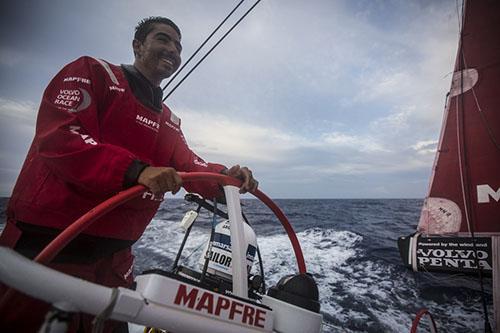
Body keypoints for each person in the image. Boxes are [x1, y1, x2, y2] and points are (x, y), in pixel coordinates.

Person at [0, 16, 258, 332]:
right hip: (44, 248)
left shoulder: (169, 122)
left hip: (115, 261)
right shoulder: (91, 72)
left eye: (178, 45)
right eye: (163, 39)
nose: (173, 50)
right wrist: (136, 171)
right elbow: (60, 135)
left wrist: (225, 179)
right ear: (138, 46)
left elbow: (190, 164)